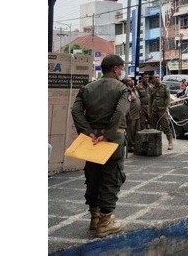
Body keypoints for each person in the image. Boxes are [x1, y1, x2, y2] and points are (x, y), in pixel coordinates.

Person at [70, 54, 130, 238]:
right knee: (112, 179)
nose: (121, 72)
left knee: (93, 177)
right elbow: (120, 113)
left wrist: (88, 132)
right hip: (111, 141)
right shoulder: (122, 89)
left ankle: (94, 217)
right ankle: (105, 222)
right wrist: (107, 134)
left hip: (91, 140)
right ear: (116, 69)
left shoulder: (87, 88)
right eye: (121, 68)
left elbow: (76, 111)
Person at [149, 74, 175, 150]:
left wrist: (166, 107)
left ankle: (170, 142)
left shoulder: (164, 86)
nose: (157, 79)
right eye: (155, 78)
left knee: (166, 126)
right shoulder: (152, 88)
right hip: (154, 110)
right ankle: (155, 143)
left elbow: (168, 98)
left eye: (158, 77)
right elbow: (150, 100)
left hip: (162, 110)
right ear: (153, 79)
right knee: (154, 127)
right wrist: (149, 111)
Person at [123, 77, 140, 153]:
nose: (131, 82)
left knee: (136, 130)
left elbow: (138, 100)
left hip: (137, 114)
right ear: (126, 83)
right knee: (130, 131)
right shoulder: (127, 91)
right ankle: (130, 145)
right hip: (131, 114)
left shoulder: (134, 90)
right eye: (129, 81)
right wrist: (128, 114)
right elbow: (127, 103)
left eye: (131, 80)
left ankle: (135, 144)